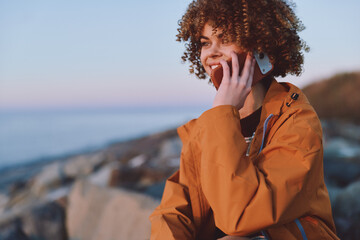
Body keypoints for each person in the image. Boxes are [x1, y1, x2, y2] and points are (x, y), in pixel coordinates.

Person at [150, 0, 339, 239]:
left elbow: (240, 216)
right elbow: (174, 211)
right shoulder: (204, 130)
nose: (211, 53)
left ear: (260, 47)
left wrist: (224, 110)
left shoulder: (297, 120)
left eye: (226, 39)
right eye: (205, 43)